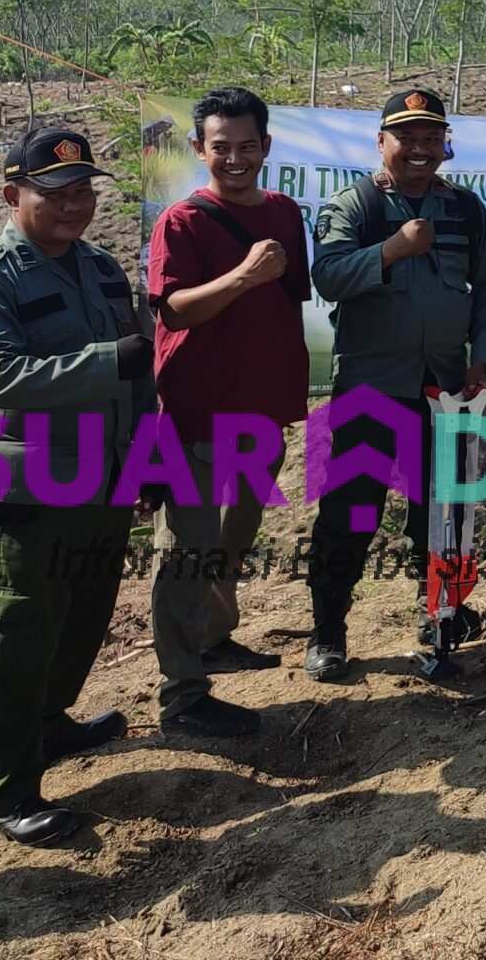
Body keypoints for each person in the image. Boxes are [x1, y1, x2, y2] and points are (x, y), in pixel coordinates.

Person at [0, 127, 151, 845]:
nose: (76, 204)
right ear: (14, 195)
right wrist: (107, 359)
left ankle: (48, 722)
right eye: (56, 192)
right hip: (31, 489)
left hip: (105, 479)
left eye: (85, 190)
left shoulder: (98, 268)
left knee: (82, 614)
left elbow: (140, 373)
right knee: (16, 630)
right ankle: (7, 788)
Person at [305, 89, 486, 682]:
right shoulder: (356, 204)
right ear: (382, 142)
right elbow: (329, 275)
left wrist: (485, 360)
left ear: (444, 144)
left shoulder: (466, 209)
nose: (420, 148)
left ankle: (441, 614)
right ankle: (328, 631)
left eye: (431, 137)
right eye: (407, 137)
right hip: (370, 387)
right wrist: (393, 249)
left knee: (442, 510)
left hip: (443, 387)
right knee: (351, 513)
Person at [144, 87, 305, 740]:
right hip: (192, 415)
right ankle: (181, 694)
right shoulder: (181, 222)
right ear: (198, 149)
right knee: (184, 550)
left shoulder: (286, 212)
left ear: (266, 146)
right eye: (221, 148)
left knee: (232, 540)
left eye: (247, 146)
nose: (235, 159)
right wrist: (241, 276)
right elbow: (174, 309)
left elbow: (291, 294)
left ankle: (211, 640)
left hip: (261, 412)